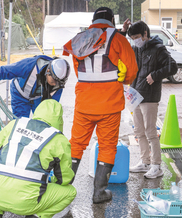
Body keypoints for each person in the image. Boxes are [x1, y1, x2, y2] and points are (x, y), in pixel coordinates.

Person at [62, 7, 138, 204]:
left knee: (76, 145)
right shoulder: (119, 39)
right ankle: (99, 193)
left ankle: (61, 189)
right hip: (110, 106)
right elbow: (131, 72)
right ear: (112, 20)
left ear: (93, 20)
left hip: (84, 104)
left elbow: (80, 73)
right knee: (107, 147)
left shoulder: (80, 38)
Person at [0, 99, 76, 218]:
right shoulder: (59, 140)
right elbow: (64, 180)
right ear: (59, 120)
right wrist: (48, 181)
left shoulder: (15, 124)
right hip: (26, 203)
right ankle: (35, 216)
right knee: (70, 192)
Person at [127, 21, 177, 179]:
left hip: (150, 96)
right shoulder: (136, 49)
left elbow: (172, 67)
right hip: (136, 95)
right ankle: (145, 162)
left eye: (136, 37)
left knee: (150, 132)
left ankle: (156, 165)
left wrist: (154, 76)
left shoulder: (158, 49)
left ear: (145, 34)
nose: (135, 40)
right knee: (138, 131)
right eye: (132, 37)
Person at [0, 56, 70, 118]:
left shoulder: (58, 84)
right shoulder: (30, 65)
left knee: (44, 121)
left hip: (38, 98)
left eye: (58, 83)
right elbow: (7, 71)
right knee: (21, 124)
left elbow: (52, 108)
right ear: (48, 71)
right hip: (20, 95)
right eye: (53, 81)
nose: (55, 85)